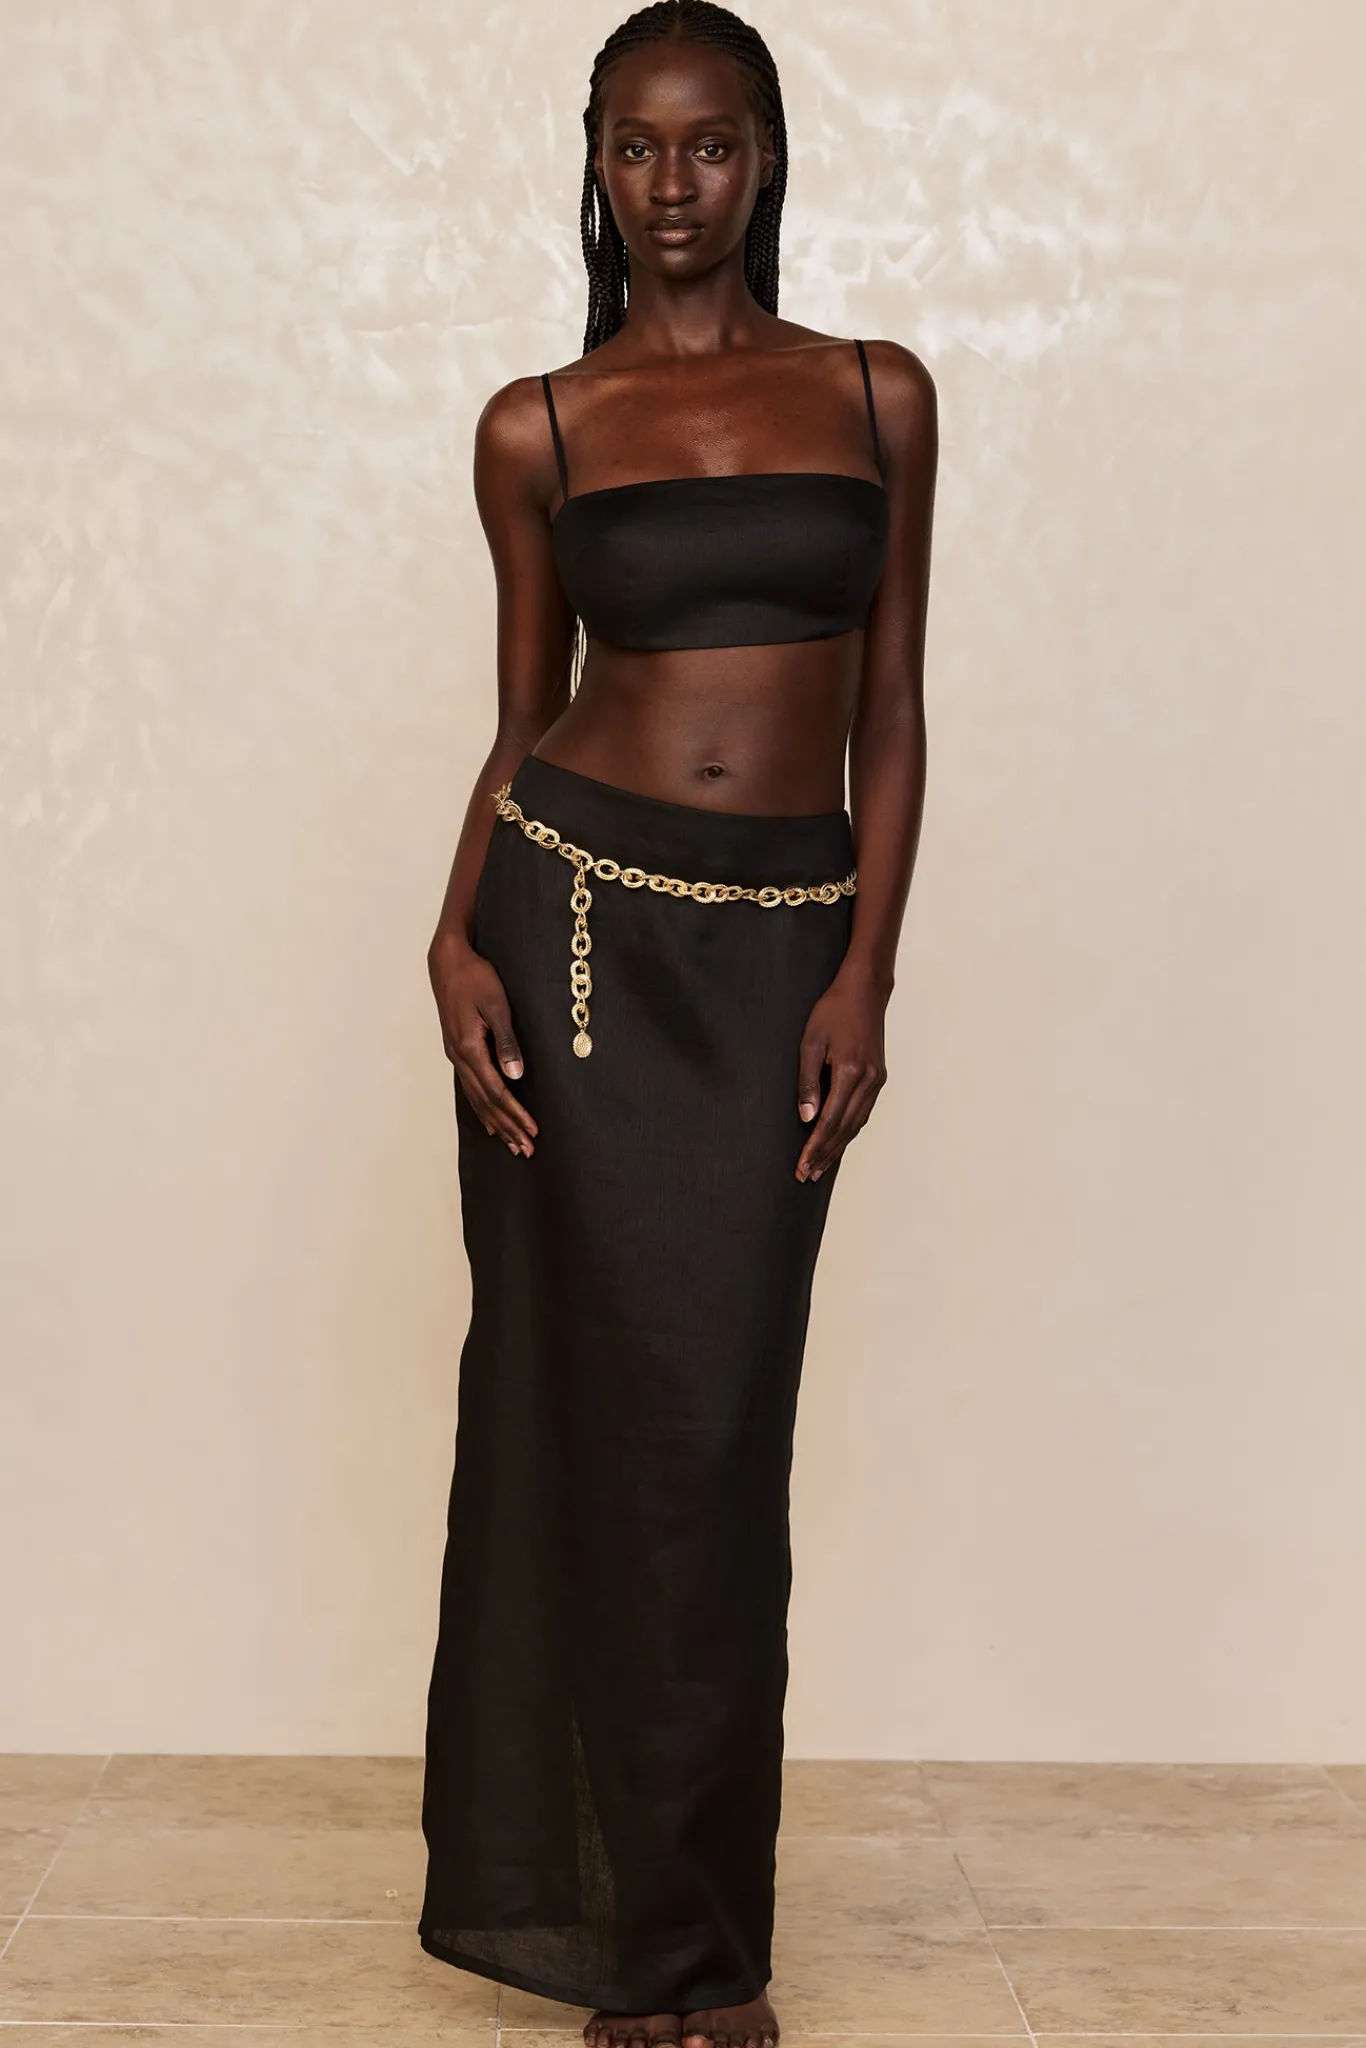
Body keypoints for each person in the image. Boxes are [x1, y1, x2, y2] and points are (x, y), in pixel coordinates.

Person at [418, 6, 936, 2047]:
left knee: (715, 1442)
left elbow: (889, 712)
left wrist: (864, 970)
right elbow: (516, 721)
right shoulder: (538, 429)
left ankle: (699, 1932)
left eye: (708, 144)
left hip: (777, 951)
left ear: (764, 155)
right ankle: (655, 1964)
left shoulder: (875, 395)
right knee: (598, 1433)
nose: (672, 184)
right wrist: (445, 939)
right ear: (596, 164)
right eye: (635, 147)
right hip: (566, 939)